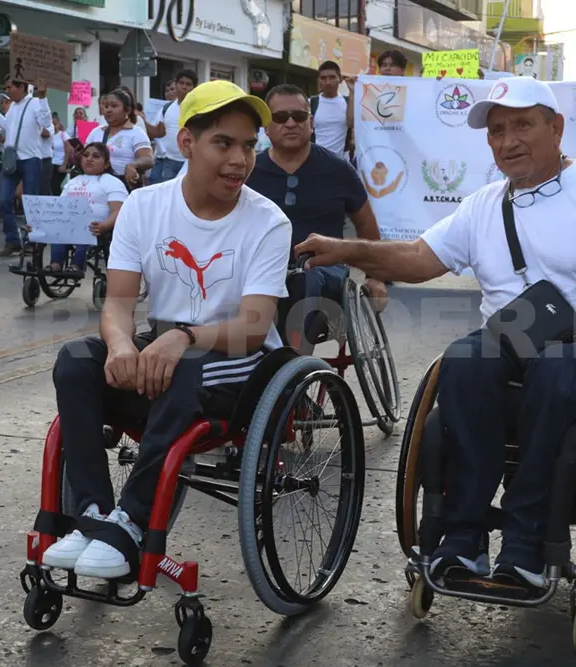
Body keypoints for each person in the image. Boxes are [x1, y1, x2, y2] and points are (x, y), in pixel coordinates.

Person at [295, 77, 576, 591]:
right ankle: (463, 535)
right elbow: (417, 258)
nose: (508, 140)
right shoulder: (483, 204)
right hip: (513, 341)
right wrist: (346, 250)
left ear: (557, 128)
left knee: (556, 369)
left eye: (522, 125)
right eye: (497, 131)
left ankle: (527, 542)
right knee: (463, 359)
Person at [41, 81, 290, 580]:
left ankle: (132, 524)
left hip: (240, 360)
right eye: (224, 143)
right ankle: (91, 514)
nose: (239, 159)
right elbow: (118, 304)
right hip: (167, 349)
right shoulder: (144, 206)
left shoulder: (268, 222)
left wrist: (184, 338)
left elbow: (255, 325)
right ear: (186, 143)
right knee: (75, 361)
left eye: (248, 146)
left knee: (184, 369)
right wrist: (118, 344)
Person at [245, 83, 386, 352]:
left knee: (305, 279)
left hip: (325, 274)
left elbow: (367, 227)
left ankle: (293, 363)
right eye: (280, 117)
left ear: (310, 124)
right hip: (263, 272)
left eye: (298, 116)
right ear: (266, 127)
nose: (290, 123)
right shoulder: (249, 172)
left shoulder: (338, 170)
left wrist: (376, 278)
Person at [43, 142, 127, 272]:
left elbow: (118, 211)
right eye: (86, 155)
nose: (89, 159)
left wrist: (104, 226)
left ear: (106, 164)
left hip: (95, 227)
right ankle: (56, 264)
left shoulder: (113, 182)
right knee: (58, 229)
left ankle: (76, 265)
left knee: (85, 228)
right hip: (69, 224)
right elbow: (59, 208)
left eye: (96, 156)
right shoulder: (73, 182)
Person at [0, 77, 53, 257]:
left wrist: (43, 96)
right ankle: (12, 240)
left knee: (31, 202)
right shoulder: (12, 107)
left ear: (21, 87)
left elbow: (46, 122)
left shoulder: (35, 103)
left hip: (30, 159)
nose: (7, 91)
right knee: (4, 200)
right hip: (12, 160)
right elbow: (6, 129)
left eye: (10, 87)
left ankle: (32, 241)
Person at [86, 88, 154, 192]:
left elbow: (148, 159)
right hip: (95, 189)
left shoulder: (136, 133)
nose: (108, 110)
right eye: (106, 106)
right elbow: (85, 156)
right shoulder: (96, 132)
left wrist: (133, 165)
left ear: (127, 110)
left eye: (114, 106)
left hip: (124, 189)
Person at [147, 70, 196, 184]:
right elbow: (159, 132)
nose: (184, 87)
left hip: (190, 161)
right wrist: (142, 120)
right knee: (168, 191)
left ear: (194, 88)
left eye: (188, 84)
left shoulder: (198, 109)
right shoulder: (166, 108)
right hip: (169, 161)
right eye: (181, 83)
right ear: (176, 84)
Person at [309, 61, 351, 158]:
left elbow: (352, 124)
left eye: (332, 77)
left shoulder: (348, 102)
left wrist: (352, 91)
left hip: (341, 161)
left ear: (340, 79)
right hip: (316, 159)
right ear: (318, 80)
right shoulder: (311, 102)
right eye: (323, 78)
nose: (328, 82)